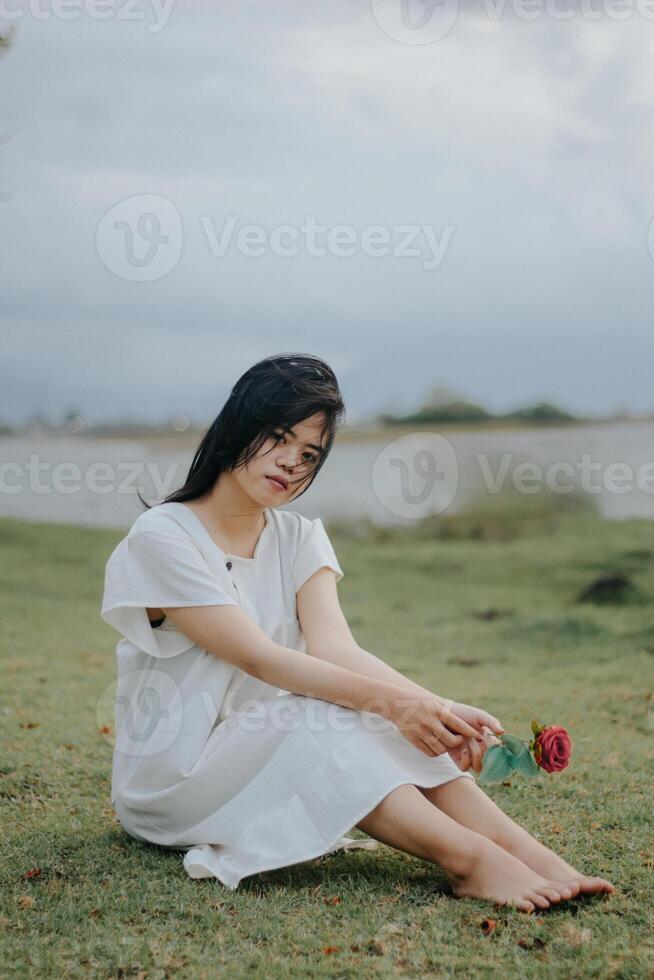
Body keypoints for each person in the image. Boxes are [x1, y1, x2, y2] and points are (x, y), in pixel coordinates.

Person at [100, 353, 615, 912]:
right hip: (178, 779)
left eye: (309, 453)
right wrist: (399, 706)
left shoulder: (298, 537)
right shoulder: (164, 536)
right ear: (237, 426)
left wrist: (435, 708)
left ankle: (526, 852)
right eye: (278, 437)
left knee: (360, 707)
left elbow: (336, 649)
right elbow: (260, 658)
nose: (291, 462)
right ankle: (469, 859)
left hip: (266, 748)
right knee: (318, 708)